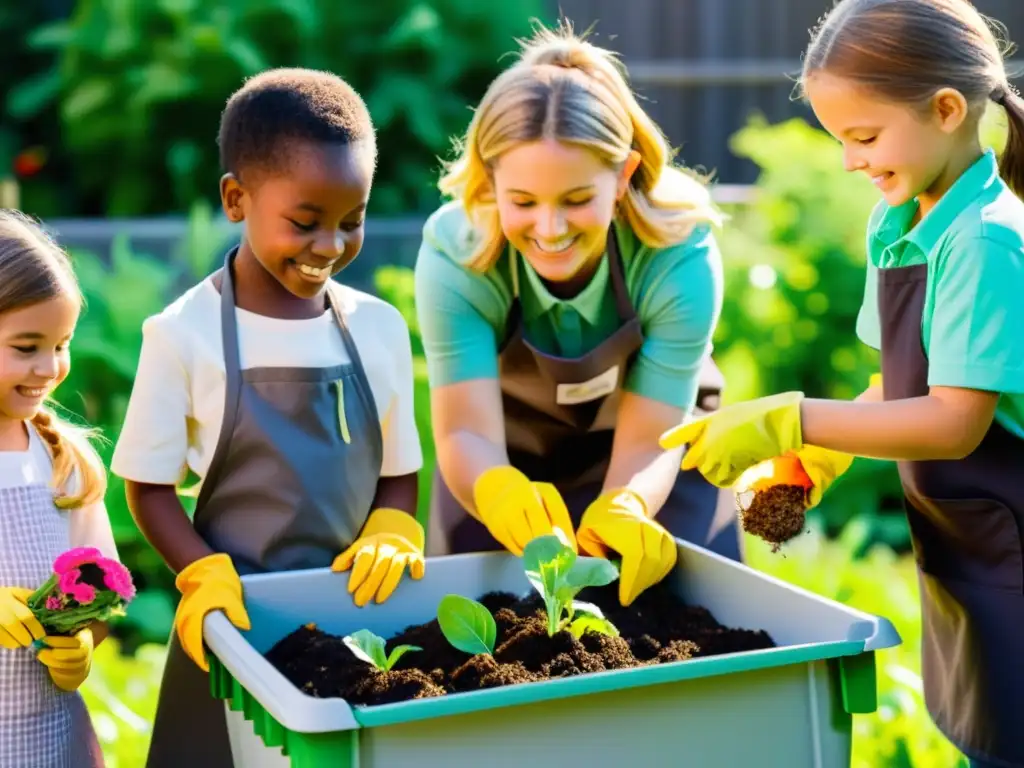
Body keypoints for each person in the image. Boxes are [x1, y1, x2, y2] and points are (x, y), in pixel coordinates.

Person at [659, 2, 1024, 766]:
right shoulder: (901, 221)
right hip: (971, 548)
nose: (851, 162)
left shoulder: (986, 238)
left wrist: (791, 419)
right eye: (841, 142)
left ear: (948, 110)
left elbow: (954, 422)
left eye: (864, 137)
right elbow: (899, 385)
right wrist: (810, 462)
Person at [110, 69, 424, 767]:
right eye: (304, 223)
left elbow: (399, 473)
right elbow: (147, 487)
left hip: (358, 632)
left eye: (352, 221)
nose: (330, 246)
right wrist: (201, 574)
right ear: (235, 198)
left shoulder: (378, 328)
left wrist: (395, 526)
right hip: (232, 631)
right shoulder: (183, 333)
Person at [415, 21, 738, 608]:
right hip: (503, 454)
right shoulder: (457, 254)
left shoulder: (677, 254)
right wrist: (495, 490)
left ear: (623, 176)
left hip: (655, 453)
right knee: (482, 635)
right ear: (491, 183)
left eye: (576, 200)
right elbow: (464, 430)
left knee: (681, 618)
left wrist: (627, 505)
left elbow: (650, 438)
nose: (550, 229)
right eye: (523, 202)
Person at [0, 210, 117, 768]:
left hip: (52, 742)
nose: (50, 367)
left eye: (62, 344)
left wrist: (82, 647)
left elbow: (98, 593)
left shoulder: (65, 463)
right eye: (26, 347)